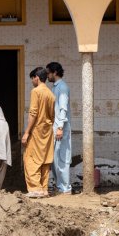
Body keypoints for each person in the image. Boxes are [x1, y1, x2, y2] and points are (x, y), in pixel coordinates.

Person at [21, 67, 55, 198]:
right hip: (48, 131)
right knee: (45, 160)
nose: (32, 81)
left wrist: (26, 132)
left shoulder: (36, 91)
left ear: (37, 77)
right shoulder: (51, 94)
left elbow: (33, 113)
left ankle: (35, 189)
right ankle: (44, 189)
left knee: (30, 159)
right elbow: (53, 115)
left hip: (37, 130)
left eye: (32, 78)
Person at [46, 61, 71, 195]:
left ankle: (65, 188)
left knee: (62, 158)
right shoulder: (55, 87)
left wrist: (60, 127)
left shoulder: (62, 87)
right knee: (55, 159)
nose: (47, 76)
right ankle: (60, 186)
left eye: (48, 73)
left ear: (55, 72)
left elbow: (63, 109)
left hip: (61, 128)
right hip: (56, 127)